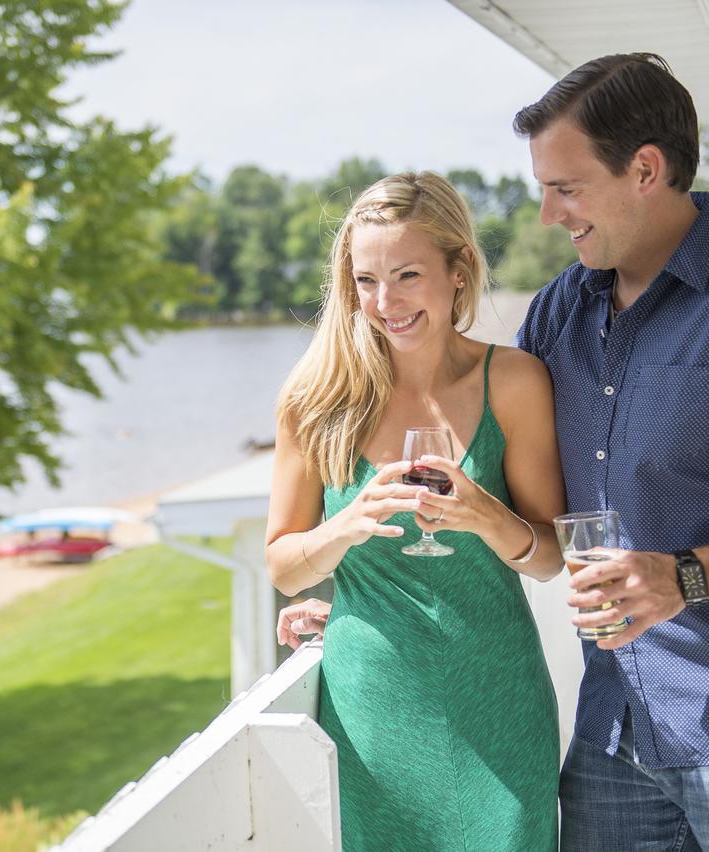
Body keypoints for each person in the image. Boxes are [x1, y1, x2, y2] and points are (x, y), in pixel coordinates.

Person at [289, 53, 709, 849]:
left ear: (645, 169)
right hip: (616, 726)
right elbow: (504, 477)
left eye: (565, 188)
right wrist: (368, 596)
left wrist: (689, 576)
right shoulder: (564, 310)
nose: (545, 215)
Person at [266, 171, 567, 851]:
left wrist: (490, 518)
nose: (385, 302)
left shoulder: (514, 383)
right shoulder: (316, 402)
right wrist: (345, 527)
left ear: (459, 270)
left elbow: (550, 557)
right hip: (373, 713)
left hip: (498, 704)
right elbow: (284, 566)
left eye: (406, 275)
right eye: (366, 281)